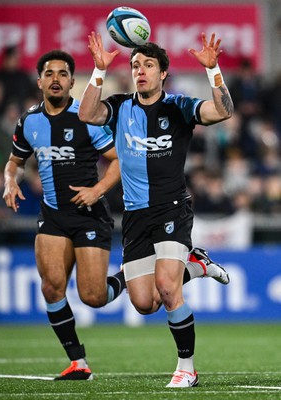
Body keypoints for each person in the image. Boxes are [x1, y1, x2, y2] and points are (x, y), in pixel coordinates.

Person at [79, 32, 233, 388]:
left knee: (166, 288)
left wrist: (213, 71)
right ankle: (195, 266)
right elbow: (87, 113)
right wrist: (99, 71)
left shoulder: (178, 106)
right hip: (135, 215)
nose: (140, 71)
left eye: (149, 65)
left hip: (171, 209)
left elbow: (223, 111)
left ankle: (187, 369)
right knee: (144, 303)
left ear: (163, 73)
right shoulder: (119, 107)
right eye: (135, 65)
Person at [2, 49, 126, 381]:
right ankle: (78, 363)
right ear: (40, 80)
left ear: (72, 81)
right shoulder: (29, 121)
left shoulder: (87, 116)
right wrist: (9, 182)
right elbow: (14, 161)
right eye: (49, 73)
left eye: (62, 73)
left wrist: (98, 190)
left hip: (89, 214)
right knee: (51, 287)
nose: (55, 79)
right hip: (53, 216)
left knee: (93, 297)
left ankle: (129, 275)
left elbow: (118, 160)